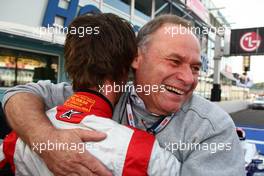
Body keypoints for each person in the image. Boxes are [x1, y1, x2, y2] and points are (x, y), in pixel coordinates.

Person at [2, 14, 246, 176]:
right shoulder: (110, 93)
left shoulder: (213, 127)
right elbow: (20, 93)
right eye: (174, 62)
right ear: (136, 59)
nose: (189, 78)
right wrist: (46, 139)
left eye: (195, 68)